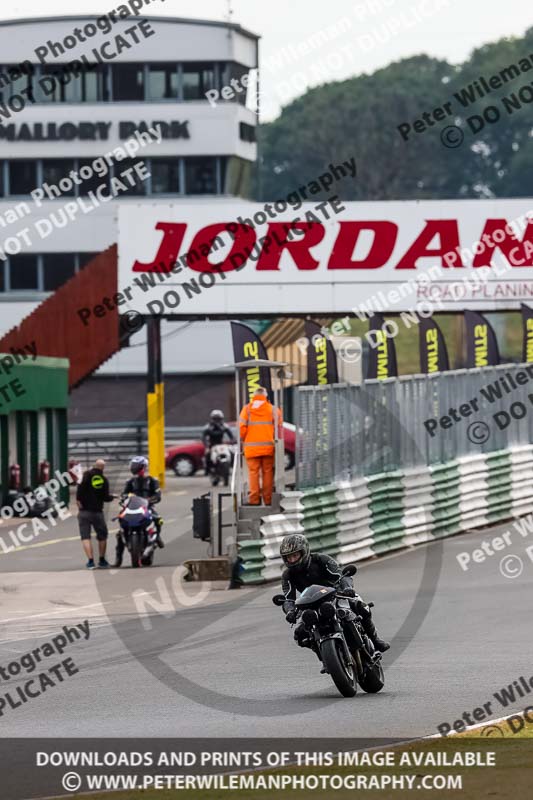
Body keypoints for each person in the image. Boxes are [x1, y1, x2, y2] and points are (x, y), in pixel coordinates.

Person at [279, 533, 390, 654]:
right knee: (300, 635)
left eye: (295, 555)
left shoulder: (322, 560)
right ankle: (323, 654)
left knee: (362, 607)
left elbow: (341, 575)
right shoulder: (287, 575)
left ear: (304, 551)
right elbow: (288, 599)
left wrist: (347, 588)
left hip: (335, 595)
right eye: (289, 557)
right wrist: (290, 611)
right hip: (309, 604)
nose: (292, 560)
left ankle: (375, 640)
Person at [113, 456, 163, 568]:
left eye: (137, 466)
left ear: (143, 467)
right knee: (119, 532)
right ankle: (118, 559)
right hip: (132, 507)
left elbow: (157, 495)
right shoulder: (130, 481)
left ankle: (157, 537)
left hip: (147, 507)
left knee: (158, 519)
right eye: (133, 466)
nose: (134, 468)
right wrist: (124, 498)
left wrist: (150, 500)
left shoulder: (152, 480)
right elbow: (124, 494)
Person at [239, 387, 282, 506]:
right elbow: (279, 427)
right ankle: (268, 500)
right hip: (268, 447)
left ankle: (254, 500)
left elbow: (241, 429)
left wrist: (245, 440)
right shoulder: (273, 409)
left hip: (251, 448)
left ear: (254, 396)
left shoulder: (246, 409)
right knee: (267, 472)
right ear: (266, 396)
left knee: (253, 473)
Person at [76, 458, 115, 569]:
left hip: (84, 512)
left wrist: (81, 508)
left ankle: (90, 561)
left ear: (94, 465)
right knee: (102, 536)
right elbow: (106, 498)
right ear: (103, 467)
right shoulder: (103, 479)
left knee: (85, 537)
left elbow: (78, 498)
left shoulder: (84, 476)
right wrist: (112, 497)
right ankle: (102, 560)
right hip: (97, 512)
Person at [202, 410, 235, 476]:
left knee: (232, 453)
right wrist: (206, 445)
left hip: (221, 444)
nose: (217, 420)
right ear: (212, 418)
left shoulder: (224, 426)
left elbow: (231, 435)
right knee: (207, 455)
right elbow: (203, 437)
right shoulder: (208, 427)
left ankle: (232, 467)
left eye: (218, 418)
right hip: (212, 444)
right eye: (215, 418)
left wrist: (233, 441)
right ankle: (207, 469)